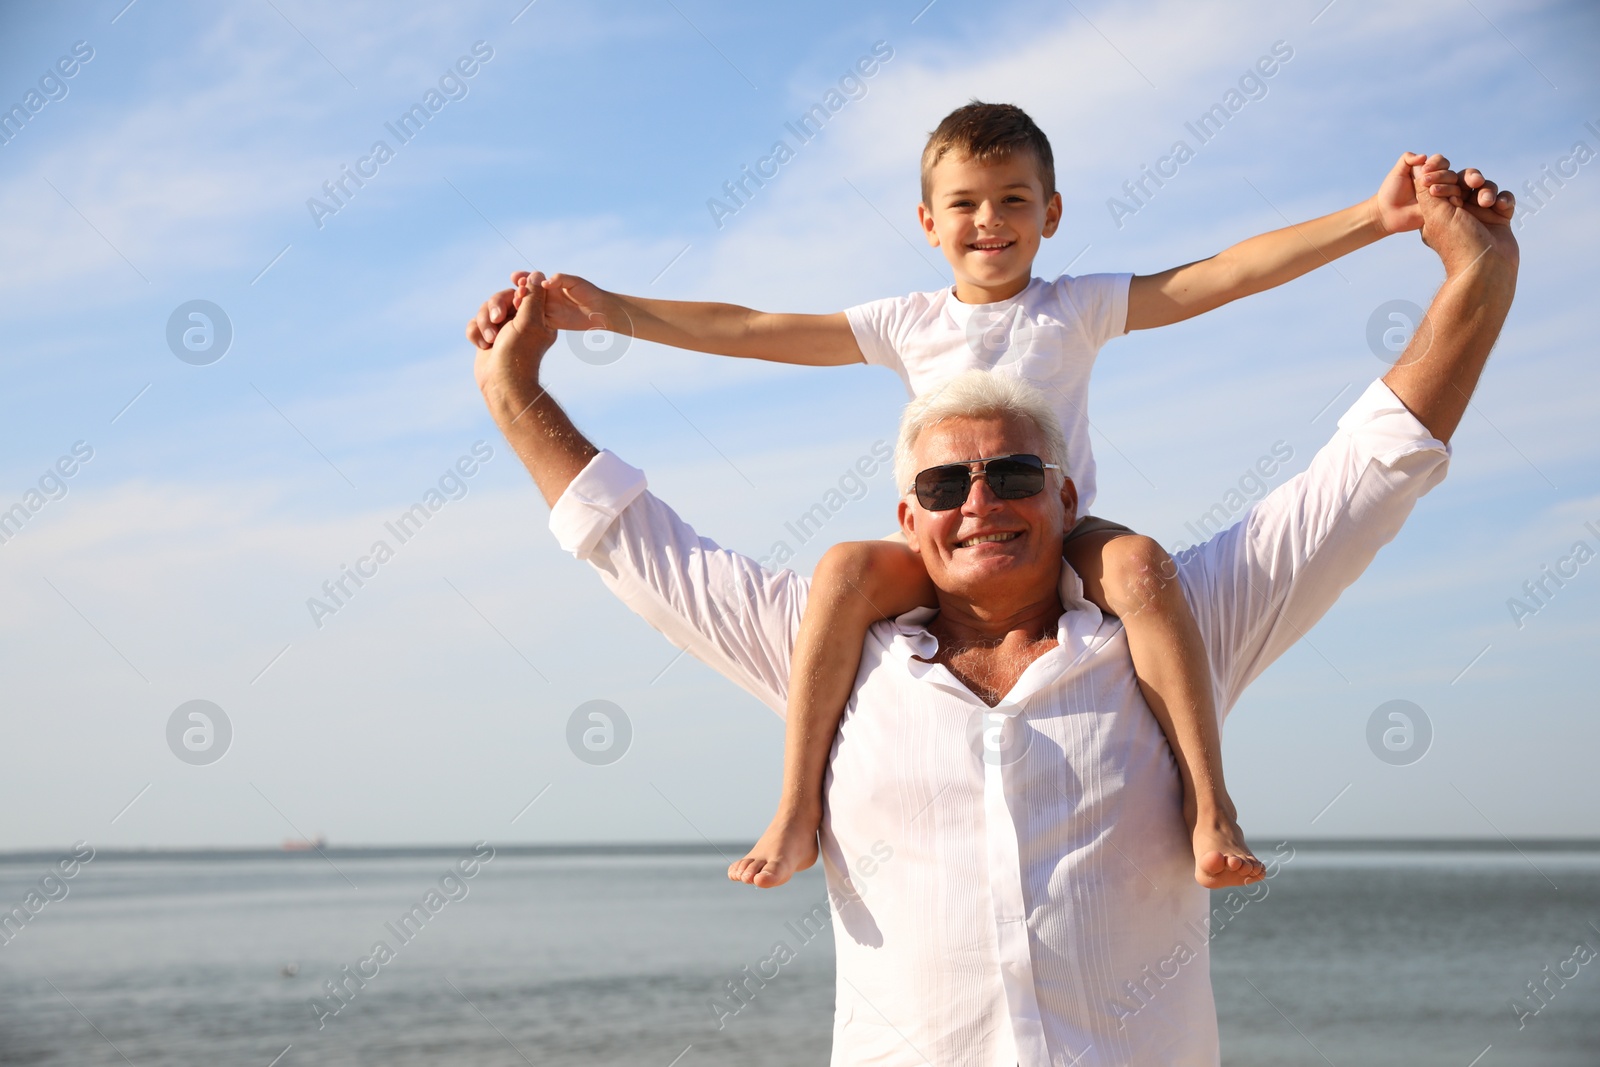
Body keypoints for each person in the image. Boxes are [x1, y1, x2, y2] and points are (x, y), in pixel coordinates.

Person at [466, 158, 1515, 1064]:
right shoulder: (830, 655)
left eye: (1013, 472)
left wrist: (1478, 273)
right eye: (942, 487)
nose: (979, 502)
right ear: (905, 517)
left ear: (1066, 494)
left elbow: (1369, 470)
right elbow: (634, 539)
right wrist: (513, 388)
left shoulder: (1175, 629)